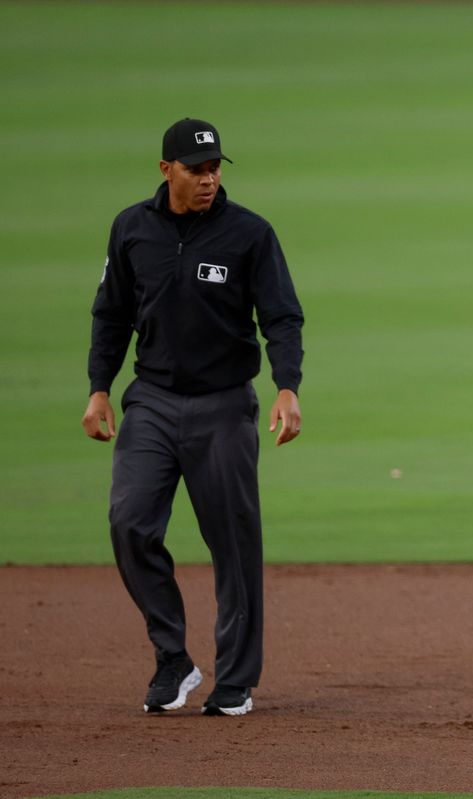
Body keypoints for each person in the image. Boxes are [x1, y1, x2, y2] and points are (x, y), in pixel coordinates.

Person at [82, 118, 304, 717]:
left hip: (225, 406)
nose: (208, 180)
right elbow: (111, 316)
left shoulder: (249, 234)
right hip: (150, 400)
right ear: (166, 170)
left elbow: (281, 317)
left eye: (214, 169)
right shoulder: (132, 229)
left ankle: (235, 680)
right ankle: (173, 658)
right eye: (196, 169)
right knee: (129, 522)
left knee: (233, 546)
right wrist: (99, 389)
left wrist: (288, 387)